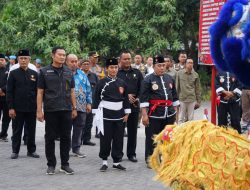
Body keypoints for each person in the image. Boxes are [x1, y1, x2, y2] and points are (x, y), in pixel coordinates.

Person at [37, 46, 77, 175]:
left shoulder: (68, 72)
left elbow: (71, 91)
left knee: (66, 137)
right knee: (50, 138)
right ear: (53, 55)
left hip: (66, 109)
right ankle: (51, 164)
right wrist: (39, 110)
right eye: (60, 54)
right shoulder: (44, 71)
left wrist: (74, 108)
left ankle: (65, 164)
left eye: (64, 55)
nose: (62, 57)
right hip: (51, 109)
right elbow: (40, 92)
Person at [140, 55, 179, 168]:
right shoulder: (148, 79)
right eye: (159, 65)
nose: (162, 68)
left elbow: (175, 98)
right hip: (155, 114)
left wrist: (176, 115)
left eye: (163, 65)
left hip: (169, 113)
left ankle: (165, 158)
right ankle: (150, 159)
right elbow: (144, 99)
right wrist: (144, 115)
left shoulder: (169, 78)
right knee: (152, 138)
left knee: (167, 138)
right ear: (154, 66)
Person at [92, 58, 131, 172]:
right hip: (106, 115)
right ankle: (104, 161)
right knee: (105, 139)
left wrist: (127, 113)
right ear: (107, 69)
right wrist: (95, 114)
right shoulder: (101, 82)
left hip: (119, 115)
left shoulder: (122, 83)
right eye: (111, 67)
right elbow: (96, 98)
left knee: (119, 139)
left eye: (115, 67)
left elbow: (125, 99)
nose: (113, 69)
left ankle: (116, 162)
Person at [7, 49, 39, 159]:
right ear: (18, 60)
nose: (23, 60)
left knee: (31, 130)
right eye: (21, 58)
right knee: (17, 130)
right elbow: (9, 91)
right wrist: (11, 108)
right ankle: (15, 151)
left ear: (29, 59)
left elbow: (38, 92)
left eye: (25, 58)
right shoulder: (13, 73)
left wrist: (39, 108)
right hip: (17, 108)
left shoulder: (34, 74)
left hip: (31, 107)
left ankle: (31, 151)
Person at [117, 51, 143, 162]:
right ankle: (118, 154)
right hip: (120, 106)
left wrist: (137, 98)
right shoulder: (116, 73)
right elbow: (113, 88)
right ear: (120, 60)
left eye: (129, 59)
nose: (127, 61)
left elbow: (143, 88)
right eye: (125, 59)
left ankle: (131, 154)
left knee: (133, 131)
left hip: (134, 105)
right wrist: (125, 95)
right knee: (119, 131)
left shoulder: (137, 73)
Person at [66, 54, 92, 157]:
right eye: (71, 61)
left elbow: (88, 89)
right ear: (66, 62)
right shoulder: (63, 73)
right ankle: (66, 149)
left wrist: (89, 103)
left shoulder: (82, 74)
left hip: (81, 106)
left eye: (76, 61)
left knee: (79, 128)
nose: (74, 63)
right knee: (66, 129)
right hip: (67, 107)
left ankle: (76, 148)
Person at [176, 58, 201, 124]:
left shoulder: (196, 75)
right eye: (189, 63)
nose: (190, 64)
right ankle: (180, 133)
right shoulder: (179, 73)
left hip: (191, 99)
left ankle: (189, 133)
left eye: (191, 63)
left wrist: (198, 101)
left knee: (190, 119)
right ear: (185, 64)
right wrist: (175, 100)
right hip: (182, 99)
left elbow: (197, 89)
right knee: (180, 118)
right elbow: (177, 87)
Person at [81, 59, 99, 144]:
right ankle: (79, 139)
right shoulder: (78, 75)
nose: (86, 66)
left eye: (88, 64)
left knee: (89, 121)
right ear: (80, 65)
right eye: (84, 64)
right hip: (80, 102)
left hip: (91, 102)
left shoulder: (93, 76)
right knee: (80, 122)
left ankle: (86, 139)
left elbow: (98, 88)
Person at [0, 53, 11, 142]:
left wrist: (2, 90)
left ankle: (3, 134)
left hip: (6, 97)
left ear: (5, 61)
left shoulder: (9, 71)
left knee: (6, 118)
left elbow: (10, 84)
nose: (0, 62)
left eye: (2, 60)